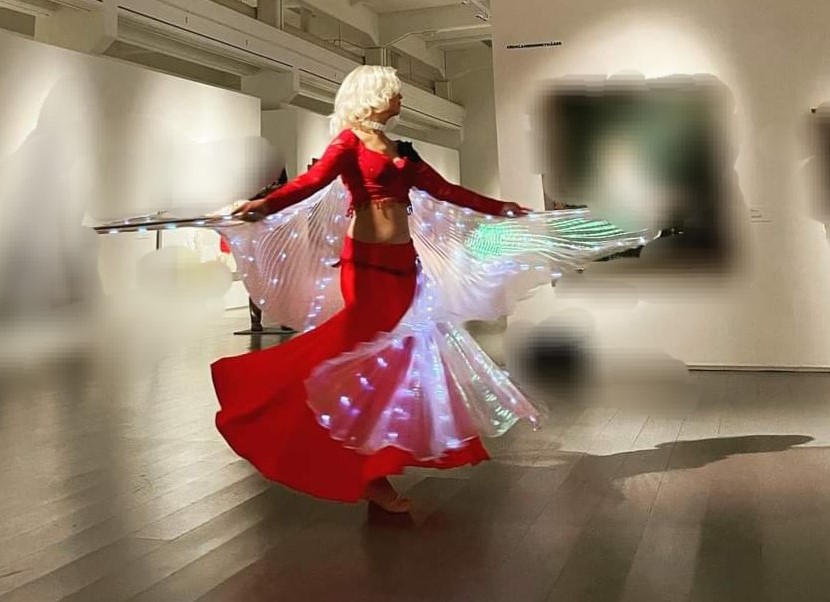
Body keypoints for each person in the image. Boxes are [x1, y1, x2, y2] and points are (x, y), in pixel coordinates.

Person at [211, 65, 645, 513]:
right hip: (366, 266)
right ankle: (279, 406)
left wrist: (502, 209)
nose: (400, 99)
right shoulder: (349, 143)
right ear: (373, 95)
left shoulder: (403, 151)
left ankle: (377, 467)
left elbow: (446, 191)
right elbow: (311, 182)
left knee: (396, 363)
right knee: (358, 354)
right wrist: (262, 206)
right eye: (394, 92)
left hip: (404, 265)